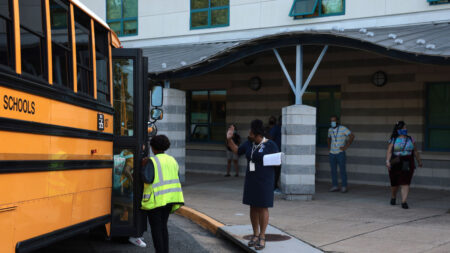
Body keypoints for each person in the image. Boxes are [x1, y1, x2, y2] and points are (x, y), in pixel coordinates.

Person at [227, 119, 279, 250]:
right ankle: (255, 234)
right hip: (251, 180)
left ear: (258, 135)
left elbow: (278, 162)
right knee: (253, 207)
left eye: (251, 132)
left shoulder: (270, 145)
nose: (248, 134)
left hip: (265, 181)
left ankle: (262, 236)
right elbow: (237, 151)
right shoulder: (249, 144)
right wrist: (229, 139)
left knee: (262, 207)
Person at [141, 135, 184, 253]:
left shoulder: (152, 161)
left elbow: (147, 179)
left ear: (153, 148)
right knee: (163, 227)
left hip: (156, 200)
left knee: (156, 229)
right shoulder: (172, 160)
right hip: (170, 199)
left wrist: (143, 167)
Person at [385, 121, 422, 209]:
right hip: (396, 161)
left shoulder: (410, 139)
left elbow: (415, 151)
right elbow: (389, 152)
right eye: (403, 128)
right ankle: (393, 196)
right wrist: (387, 161)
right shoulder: (393, 139)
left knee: (405, 181)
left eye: (405, 128)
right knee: (394, 182)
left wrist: (419, 161)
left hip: (407, 161)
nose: (405, 129)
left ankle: (404, 201)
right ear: (398, 129)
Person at [327, 115, 355, 193]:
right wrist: (329, 148)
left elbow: (352, 136)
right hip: (332, 153)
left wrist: (346, 146)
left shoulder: (343, 128)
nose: (332, 122)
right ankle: (335, 186)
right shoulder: (330, 130)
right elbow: (328, 138)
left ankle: (344, 186)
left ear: (337, 121)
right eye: (331, 121)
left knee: (342, 170)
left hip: (340, 153)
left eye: (334, 121)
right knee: (333, 170)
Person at [267, 116, 282, 192]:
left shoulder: (280, 128)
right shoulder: (276, 128)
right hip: (275, 153)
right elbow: (271, 138)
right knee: (275, 171)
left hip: (279, 153)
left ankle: (275, 186)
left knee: (277, 171)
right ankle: (274, 187)